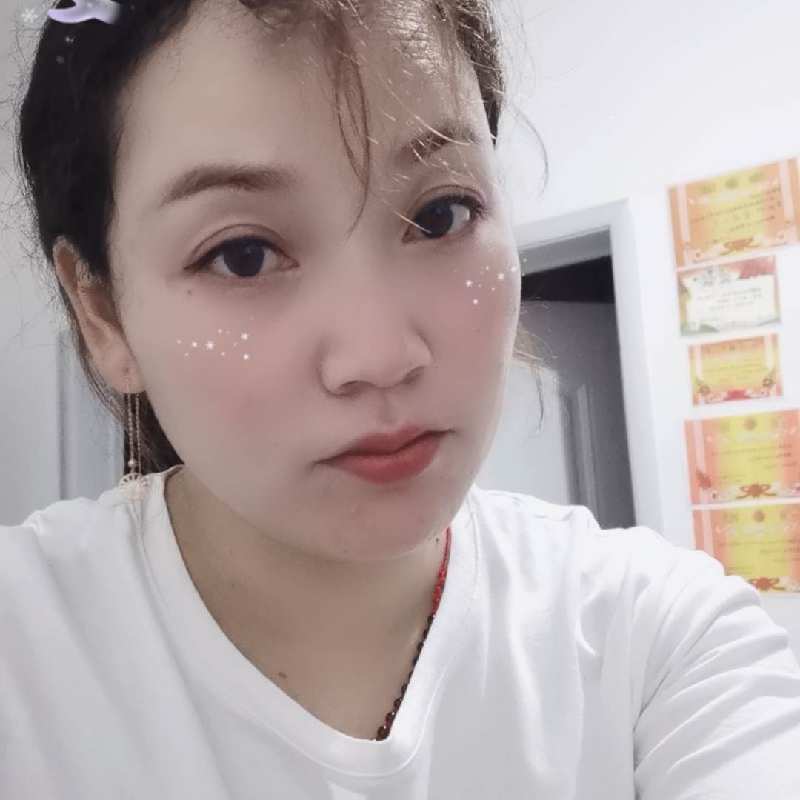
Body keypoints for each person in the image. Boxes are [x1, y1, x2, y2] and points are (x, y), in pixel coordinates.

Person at [3, 0, 800, 797]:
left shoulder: (655, 638)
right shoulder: (26, 653)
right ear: (101, 313)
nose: (380, 356)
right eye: (243, 255)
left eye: (440, 214)